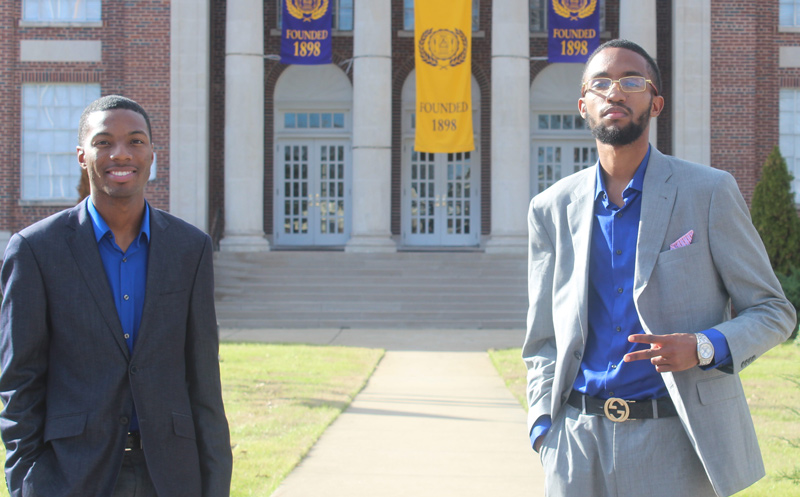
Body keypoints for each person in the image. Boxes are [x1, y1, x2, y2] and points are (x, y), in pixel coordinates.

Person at [523, 39, 796, 497]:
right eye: (601, 83)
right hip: (573, 445)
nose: (615, 93)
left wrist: (704, 347)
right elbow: (543, 336)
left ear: (656, 102)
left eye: (632, 81)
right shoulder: (550, 209)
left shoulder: (708, 192)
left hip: (674, 442)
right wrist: (542, 426)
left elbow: (774, 310)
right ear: (583, 105)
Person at [0, 95, 232, 496]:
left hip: (171, 477)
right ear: (81, 155)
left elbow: (204, 383)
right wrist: (28, 484)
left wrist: (214, 484)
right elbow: (19, 383)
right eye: (104, 142)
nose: (120, 154)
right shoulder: (36, 250)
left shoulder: (189, 249)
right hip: (71, 476)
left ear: (152, 154)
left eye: (136, 141)